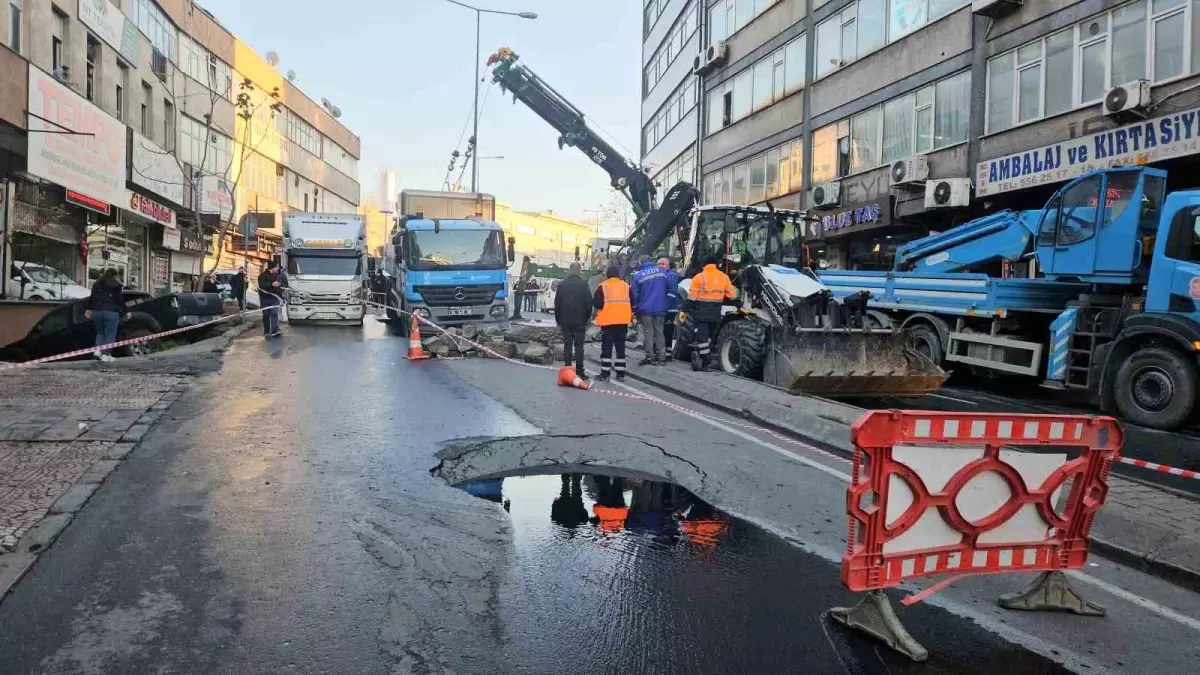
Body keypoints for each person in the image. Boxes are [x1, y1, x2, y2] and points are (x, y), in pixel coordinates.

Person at [686, 254, 737, 371]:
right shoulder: (724, 277)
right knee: (709, 337)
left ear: (704, 265)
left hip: (700, 313)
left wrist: (684, 309)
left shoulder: (699, 277)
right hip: (715, 313)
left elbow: (691, 297)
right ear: (715, 265)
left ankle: (705, 362)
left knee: (702, 339)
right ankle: (703, 357)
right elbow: (732, 295)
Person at [553, 261, 593, 380]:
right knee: (579, 346)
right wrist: (586, 319)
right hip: (579, 321)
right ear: (579, 271)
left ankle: (568, 369)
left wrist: (558, 320)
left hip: (565, 321)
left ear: (569, 270)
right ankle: (580, 371)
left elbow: (557, 305)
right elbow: (589, 303)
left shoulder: (562, 285)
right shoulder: (584, 284)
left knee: (567, 345)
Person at [592, 265, 632, 381]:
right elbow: (632, 302)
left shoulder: (603, 286)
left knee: (607, 349)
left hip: (608, 322)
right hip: (623, 322)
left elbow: (597, 303)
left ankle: (605, 374)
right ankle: (620, 374)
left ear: (607, 275)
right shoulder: (626, 286)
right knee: (620, 349)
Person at [630, 255, 670, 365]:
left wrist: (635, 308)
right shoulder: (662, 272)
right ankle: (661, 357)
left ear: (640, 262)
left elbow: (634, 295)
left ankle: (649, 357)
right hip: (661, 308)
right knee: (659, 331)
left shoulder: (638, 276)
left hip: (645, 309)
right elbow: (668, 287)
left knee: (648, 333)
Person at [86, 268, 130, 362]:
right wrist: (126, 310)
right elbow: (118, 299)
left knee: (100, 332)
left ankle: (97, 351)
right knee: (111, 333)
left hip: (96, 312)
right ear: (115, 275)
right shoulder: (116, 284)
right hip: (111, 312)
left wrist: (89, 309)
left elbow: (92, 298)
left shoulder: (96, 284)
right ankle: (106, 354)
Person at [257, 261, 287, 337]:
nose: (277, 269)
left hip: (275, 298)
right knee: (266, 315)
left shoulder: (277, 275)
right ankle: (266, 331)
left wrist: (280, 288)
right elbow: (261, 285)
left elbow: (282, 284)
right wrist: (271, 284)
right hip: (265, 299)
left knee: (274, 314)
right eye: (276, 267)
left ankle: (275, 331)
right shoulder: (262, 276)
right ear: (272, 268)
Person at [659, 257, 681, 352]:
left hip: (669, 308)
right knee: (663, 330)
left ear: (667, 265)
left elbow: (671, 293)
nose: (660, 266)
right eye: (659, 264)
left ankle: (667, 352)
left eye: (662, 264)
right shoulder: (663, 274)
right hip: (665, 307)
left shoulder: (671, 275)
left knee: (667, 330)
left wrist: (664, 306)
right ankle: (664, 351)